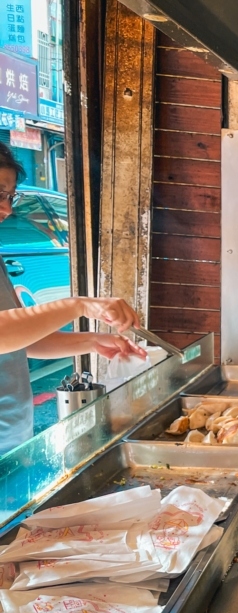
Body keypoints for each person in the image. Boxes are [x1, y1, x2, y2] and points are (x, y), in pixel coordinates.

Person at [0, 143, 145, 454]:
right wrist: (80, 304)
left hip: (13, 438)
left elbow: (22, 342)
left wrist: (92, 342)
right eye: (0, 193)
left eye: (10, 196)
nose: (7, 208)